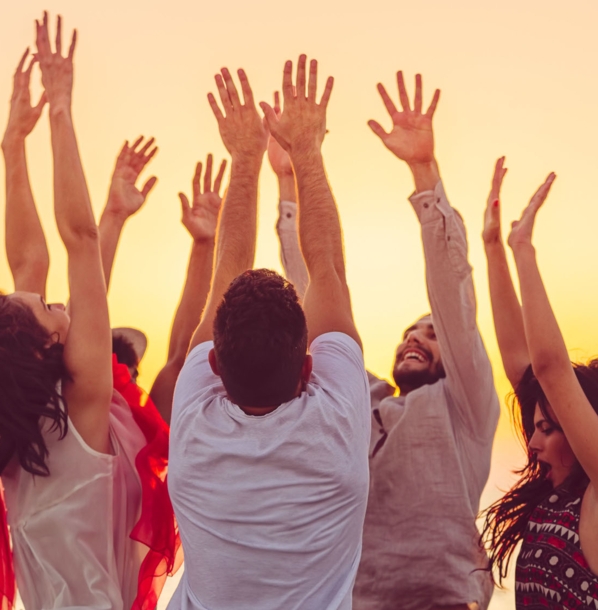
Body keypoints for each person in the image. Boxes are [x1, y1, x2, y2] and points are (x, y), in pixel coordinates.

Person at [276, 71, 499, 609]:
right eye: (407, 333)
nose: (414, 338)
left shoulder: (463, 406)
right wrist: (291, 181)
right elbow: (316, 295)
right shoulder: (365, 401)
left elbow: (455, 299)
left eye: (430, 332)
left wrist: (424, 174)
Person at [168, 56, 371, 609]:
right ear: (308, 366)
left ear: (214, 365)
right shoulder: (337, 424)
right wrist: (305, 152)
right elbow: (325, 266)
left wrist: (244, 158)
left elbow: (228, 258)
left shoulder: (191, 424)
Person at [0, 14, 178, 608]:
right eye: (51, 307)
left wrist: (11, 150)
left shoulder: (20, 433)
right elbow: (76, 243)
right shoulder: (81, 405)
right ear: (45, 346)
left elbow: (29, 260)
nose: (57, 301)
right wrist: (60, 110)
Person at [480, 159, 598, 606]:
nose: (532, 443)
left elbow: (551, 369)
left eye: (548, 428)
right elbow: (524, 364)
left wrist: (523, 249)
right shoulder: (563, 493)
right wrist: (493, 247)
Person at [98, 134, 227, 424]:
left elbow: (182, 358)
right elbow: (84, 308)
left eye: (132, 372)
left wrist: (205, 245)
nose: (131, 380)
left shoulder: (142, 425)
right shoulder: (72, 420)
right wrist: (114, 216)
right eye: (120, 371)